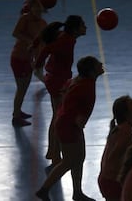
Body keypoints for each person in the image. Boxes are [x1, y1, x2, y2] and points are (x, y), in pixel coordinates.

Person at [35, 56, 104, 201]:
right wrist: (77, 122)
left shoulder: (81, 81)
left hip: (69, 124)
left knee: (79, 158)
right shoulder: (85, 86)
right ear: (91, 71)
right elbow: (73, 107)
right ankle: (44, 190)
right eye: (98, 64)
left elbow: (64, 90)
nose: (101, 65)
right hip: (69, 126)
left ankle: (77, 192)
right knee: (68, 161)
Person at [33, 15, 87, 165]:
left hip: (57, 79)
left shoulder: (65, 36)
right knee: (58, 118)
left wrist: (34, 45)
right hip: (57, 82)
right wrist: (37, 65)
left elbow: (44, 37)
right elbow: (48, 48)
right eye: (83, 25)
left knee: (57, 116)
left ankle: (53, 152)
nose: (86, 27)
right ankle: (54, 154)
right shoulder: (66, 40)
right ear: (76, 29)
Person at [10, 0, 47, 127]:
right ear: (30, 8)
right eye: (35, 8)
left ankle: (18, 111)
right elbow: (15, 33)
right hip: (19, 58)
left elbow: (42, 42)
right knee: (21, 89)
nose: (37, 10)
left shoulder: (43, 23)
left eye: (39, 8)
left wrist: (37, 60)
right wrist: (30, 41)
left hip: (29, 59)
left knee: (24, 88)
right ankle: (15, 117)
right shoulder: (25, 19)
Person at [98, 95, 132, 201]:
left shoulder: (123, 129)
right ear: (127, 114)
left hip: (107, 180)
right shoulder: (126, 132)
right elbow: (114, 155)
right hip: (113, 182)